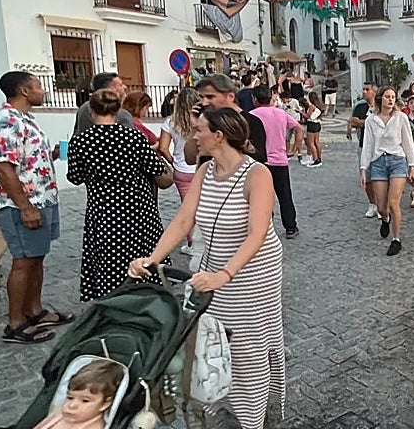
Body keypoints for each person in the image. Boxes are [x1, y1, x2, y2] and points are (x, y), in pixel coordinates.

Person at [131, 108, 285, 429]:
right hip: (214, 270)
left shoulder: (257, 174)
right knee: (213, 342)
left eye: (198, 130)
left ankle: (253, 421)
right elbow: (184, 220)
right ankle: (223, 395)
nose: (192, 136)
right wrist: (153, 259)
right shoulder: (204, 170)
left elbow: (257, 232)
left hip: (253, 273)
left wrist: (225, 275)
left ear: (219, 136)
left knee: (246, 349)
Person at [0, 71, 71, 345]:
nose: (42, 90)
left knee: (36, 257)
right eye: (38, 85)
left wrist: (51, 154)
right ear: (23, 90)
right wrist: (25, 207)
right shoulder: (5, 121)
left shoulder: (26, 119)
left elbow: (23, 158)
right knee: (23, 261)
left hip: (41, 199)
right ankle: (15, 323)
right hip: (20, 205)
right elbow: (3, 167)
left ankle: (35, 311)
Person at [67, 89, 173, 302]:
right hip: (138, 206)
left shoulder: (80, 141)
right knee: (144, 250)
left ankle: (112, 298)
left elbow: (75, 177)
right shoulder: (133, 136)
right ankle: (148, 295)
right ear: (118, 110)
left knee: (108, 257)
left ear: (90, 110)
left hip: (104, 208)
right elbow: (154, 168)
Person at [360, 87, 414, 256]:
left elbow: (408, 142)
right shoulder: (371, 120)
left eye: (393, 97)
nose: (390, 100)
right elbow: (368, 145)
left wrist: (411, 166)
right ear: (380, 99)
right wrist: (364, 169)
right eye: (387, 97)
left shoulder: (401, 118)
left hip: (397, 161)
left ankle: (396, 239)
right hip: (378, 162)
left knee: (394, 203)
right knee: (381, 206)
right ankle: (385, 219)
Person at [183, 74, 268, 168]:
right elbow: (190, 159)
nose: (204, 103)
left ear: (230, 96)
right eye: (202, 97)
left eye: (210, 97)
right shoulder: (205, 122)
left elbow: (257, 162)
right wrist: (195, 127)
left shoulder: (252, 122)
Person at [250, 86, 300, 239]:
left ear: (255, 99)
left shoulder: (251, 115)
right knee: (284, 195)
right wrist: (294, 149)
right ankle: (290, 226)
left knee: (260, 196)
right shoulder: (281, 113)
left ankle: (266, 225)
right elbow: (298, 129)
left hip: (260, 161)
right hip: (279, 160)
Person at [158, 87, 200, 255]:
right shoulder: (201, 120)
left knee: (188, 208)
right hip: (200, 167)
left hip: (182, 170)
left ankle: (192, 244)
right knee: (204, 206)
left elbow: (163, 147)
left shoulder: (170, 122)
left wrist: (174, 162)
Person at [348, 83, 379, 218]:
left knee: (380, 178)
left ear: (374, 92)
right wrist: (367, 122)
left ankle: (381, 204)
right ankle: (372, 204)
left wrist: (364, 122)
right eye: (364, 89)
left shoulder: (380, 106)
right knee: (367, 177)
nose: (365, 92)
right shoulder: (361, 106)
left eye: (368, 90)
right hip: (364, 144)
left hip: (379, 146)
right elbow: (353, 121)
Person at [303, 91, 325, 167]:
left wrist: (300, 112)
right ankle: (319, 158)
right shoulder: (319, 105)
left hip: (311, 124)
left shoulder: (312, 106)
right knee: (317, 142)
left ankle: (315, 159)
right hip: (317, 124)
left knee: (310, 143)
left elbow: (307, 116)